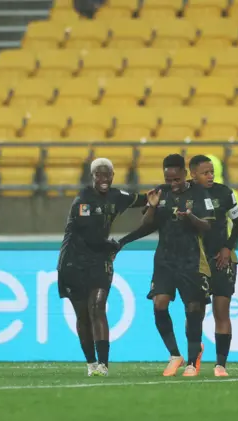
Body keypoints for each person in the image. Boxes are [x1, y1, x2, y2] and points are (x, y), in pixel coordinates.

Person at [118, 154, 215, 377]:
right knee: (159, 304)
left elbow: (208, 226)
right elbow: (147, 226)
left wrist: (191, 218)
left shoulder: (199, 194)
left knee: (193, 309)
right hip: (164, 260)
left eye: (176, 179)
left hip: (191, 259)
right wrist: (150, 209)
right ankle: (175, 355)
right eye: (168, 179)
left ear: (184, 174)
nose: (172, 183)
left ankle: (192, 361)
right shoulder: (160, 193)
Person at [58, 158, 148, 377]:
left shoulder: (117, 197)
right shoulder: (83, 200)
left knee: (98, 308)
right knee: (83, 316)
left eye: (107, 174)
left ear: (113, 176)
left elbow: (142, 199)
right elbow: (89, 235)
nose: (103, 179)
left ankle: (103, 364)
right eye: (99, 174)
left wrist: (162, 193)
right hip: (73, 262)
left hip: (99, 261)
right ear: (93, 177)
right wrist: (114, 245)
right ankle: (90, 363)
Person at [188, 155, 238, 377]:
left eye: (211, 172)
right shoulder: (187, 195)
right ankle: (192, 360)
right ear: (193, 174)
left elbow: (237, 223)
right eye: (205, 173)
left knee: (222, 311)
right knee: (195, 312)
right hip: (195, 261)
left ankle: (220, 364)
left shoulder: (225, 193)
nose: (210, 176)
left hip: (222, 259)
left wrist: (228, 248)